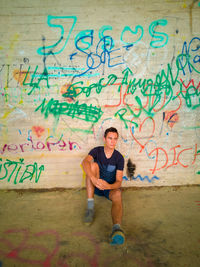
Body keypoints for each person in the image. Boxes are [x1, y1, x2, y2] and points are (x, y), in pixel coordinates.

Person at [81, 127, 125, 245]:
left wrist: (108, 186)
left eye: (115, 139)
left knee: (118, 194)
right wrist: (94, 179)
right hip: (95, 185)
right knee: (93, 166)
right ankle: (90, 208)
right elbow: (84, 162)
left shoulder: (119, 157)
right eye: (110, 138)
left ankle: (117, 229)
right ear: (104, 139)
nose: (112, 141)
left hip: (108, 188)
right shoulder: (97, 151)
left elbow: (119, 182)